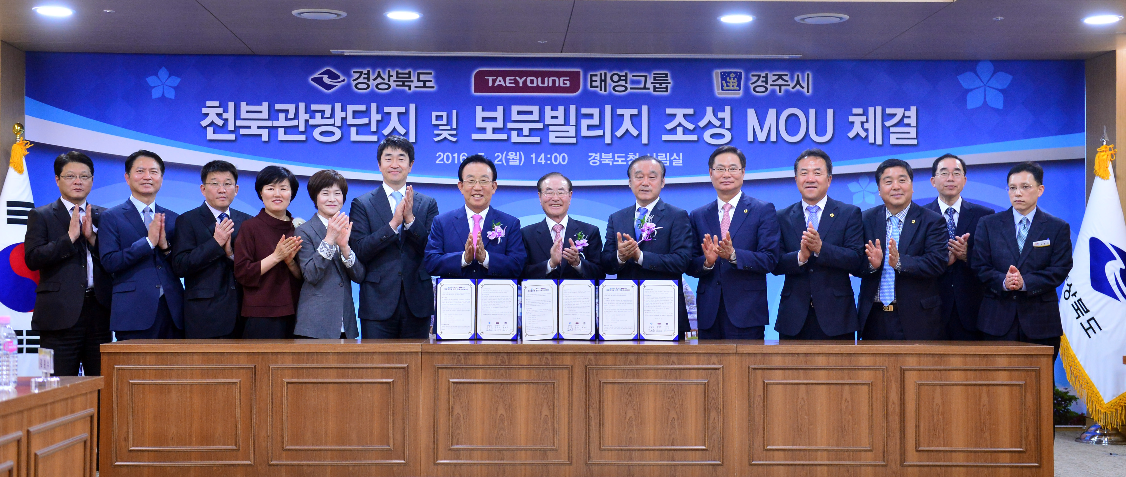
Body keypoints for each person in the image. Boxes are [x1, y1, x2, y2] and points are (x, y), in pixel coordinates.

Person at [23, 151, 111, 375]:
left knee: (102, 383)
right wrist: (69, 238)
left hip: (99, 313)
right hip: (58, 316)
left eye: (84, 176)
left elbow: (114, 259)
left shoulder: (105, 216)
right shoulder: (41, 215)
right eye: (70, 176)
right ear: (57, 179)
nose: (78, 181)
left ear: (92, 180)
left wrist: (93, 239)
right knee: (56, 385)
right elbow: (33, 258)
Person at [971, 162, 1071, 358]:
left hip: (1041, 322)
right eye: (1012, 188)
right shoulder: (988, 224)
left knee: (1039, 377)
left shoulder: (1057, 227)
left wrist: (1025, 282)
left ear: (1040, 190)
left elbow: (1060, 268)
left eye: (1025, 187)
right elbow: (979, 266)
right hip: (996, 320)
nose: (1017, 193)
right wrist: (1004, 281)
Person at [349, 136, 439, 339]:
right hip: (377, 303)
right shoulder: (362, 204)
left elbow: (432, 250)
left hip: (417, 302)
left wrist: (410, 220)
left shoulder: (427, 204)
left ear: (411, 165)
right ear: (379, 165)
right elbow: (360, 250)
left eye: (401, 158)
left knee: (417, 359)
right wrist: (393, 225)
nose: (395, 164)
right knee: (377, 359)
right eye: (388, 158)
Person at [687, 146, 780, 339]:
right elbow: (689, 264)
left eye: (732, 169)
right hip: (708, 313)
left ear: (743, 172)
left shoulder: (762, 210)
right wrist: (707, 262)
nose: (726, 174)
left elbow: (770, 259)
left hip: (747, 312)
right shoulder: (698, 215)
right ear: (710, 173)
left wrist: (733, 255)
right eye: (720, 169)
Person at [773, 149, 865, 340]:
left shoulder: (849, 213)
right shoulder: (782, 217)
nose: (810, 179)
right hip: (793, 316)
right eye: (804, 173)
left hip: (837, 317)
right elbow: (775, 263)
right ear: (796, 179)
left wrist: (821, 249)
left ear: (829, 179)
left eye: (817, 173)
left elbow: (856, 259)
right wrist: (800, 257)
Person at [855, 159, 948, 340]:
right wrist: (872, 265)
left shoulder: (932, 221)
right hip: (873, 317)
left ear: (912, 186)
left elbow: (937, 263)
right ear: (879, 189)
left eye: (902, 180)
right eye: (888, 182)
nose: (896, 187)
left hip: (917, 318)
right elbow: (854, 262)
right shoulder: (865, 219)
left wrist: (900, 262)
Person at [602, 155, 694, 334]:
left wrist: (640, 257)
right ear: (630, 182)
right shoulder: (617, 218)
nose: (645, 182)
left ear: (662, 182)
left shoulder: (677, 216)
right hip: (625, 311)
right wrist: (620, 257)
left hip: (664, 310)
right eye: (639, 177)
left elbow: (682, 261)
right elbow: (606, 262)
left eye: (652, 177)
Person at [99, 150, 184, 339]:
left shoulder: (174, 218)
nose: (147, 177)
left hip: (173, 310)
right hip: (133, 311)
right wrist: (147, 243)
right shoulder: (111, 217)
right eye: (140, 171)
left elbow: (181, 265)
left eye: (153, 172)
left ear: (161, 179)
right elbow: (109, 262)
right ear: (127, 177)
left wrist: (165, 248)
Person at [170, 160, 253, 339]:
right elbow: (180, 265)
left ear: (236, 189)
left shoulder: (248, 221)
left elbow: (253, 266)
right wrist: (215, 243)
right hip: (205, 315)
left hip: (243, 313)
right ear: (203, 189)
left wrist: (231, 255)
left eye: (227, 184)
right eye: (215, 184)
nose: (222, 190)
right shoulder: (187, 220)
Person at [923, 154, 995, 341]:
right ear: (933, 181)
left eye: (956, 173)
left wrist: (967, 255)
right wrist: (941, 260)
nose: (950, 178)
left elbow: (994, 260)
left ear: (964, 180)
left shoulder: (984, 216)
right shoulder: (920, 216)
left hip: (972, 309)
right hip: (931, 308)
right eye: (944, 173)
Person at [425, 155, 526, 279]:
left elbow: (518, 265)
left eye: (484, 181)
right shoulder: (442, 222)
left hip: (494, 291)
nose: (477, 188)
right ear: (461, 186)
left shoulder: (510, 223)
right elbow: (431, 262)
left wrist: (486, 259)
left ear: (494, 186)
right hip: (456, 291)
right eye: (471, 181)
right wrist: (463, 259)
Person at [233, 166, 304, 339]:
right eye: (271, 188)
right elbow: (242, 273)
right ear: (261, 192)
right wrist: (276, 257)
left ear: (292, 193)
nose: (277, 194)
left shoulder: (300, 227)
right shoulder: (250, 227)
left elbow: (306, 276)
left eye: (283, 189)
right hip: (261, 314)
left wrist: (290, 263)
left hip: (298, 312)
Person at [296, 170, 364, 339]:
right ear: (315, 197)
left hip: (346, 323)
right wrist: (329, 239)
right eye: (325, 193)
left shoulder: (349, 228)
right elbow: (311, 274)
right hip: (314, 325)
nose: (332, 199)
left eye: (337, 193)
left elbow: (359, 275)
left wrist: (345, 247)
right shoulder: (304, 231)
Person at [521, 172, 604, 280]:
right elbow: (520, 274)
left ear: (570, 196)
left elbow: (600, 274)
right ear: (539, 197)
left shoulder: (590, 231)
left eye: (561, 192)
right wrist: (550, 264)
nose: (555, 198)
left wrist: (578, 263)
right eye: (549, 192)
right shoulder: (526, 234)